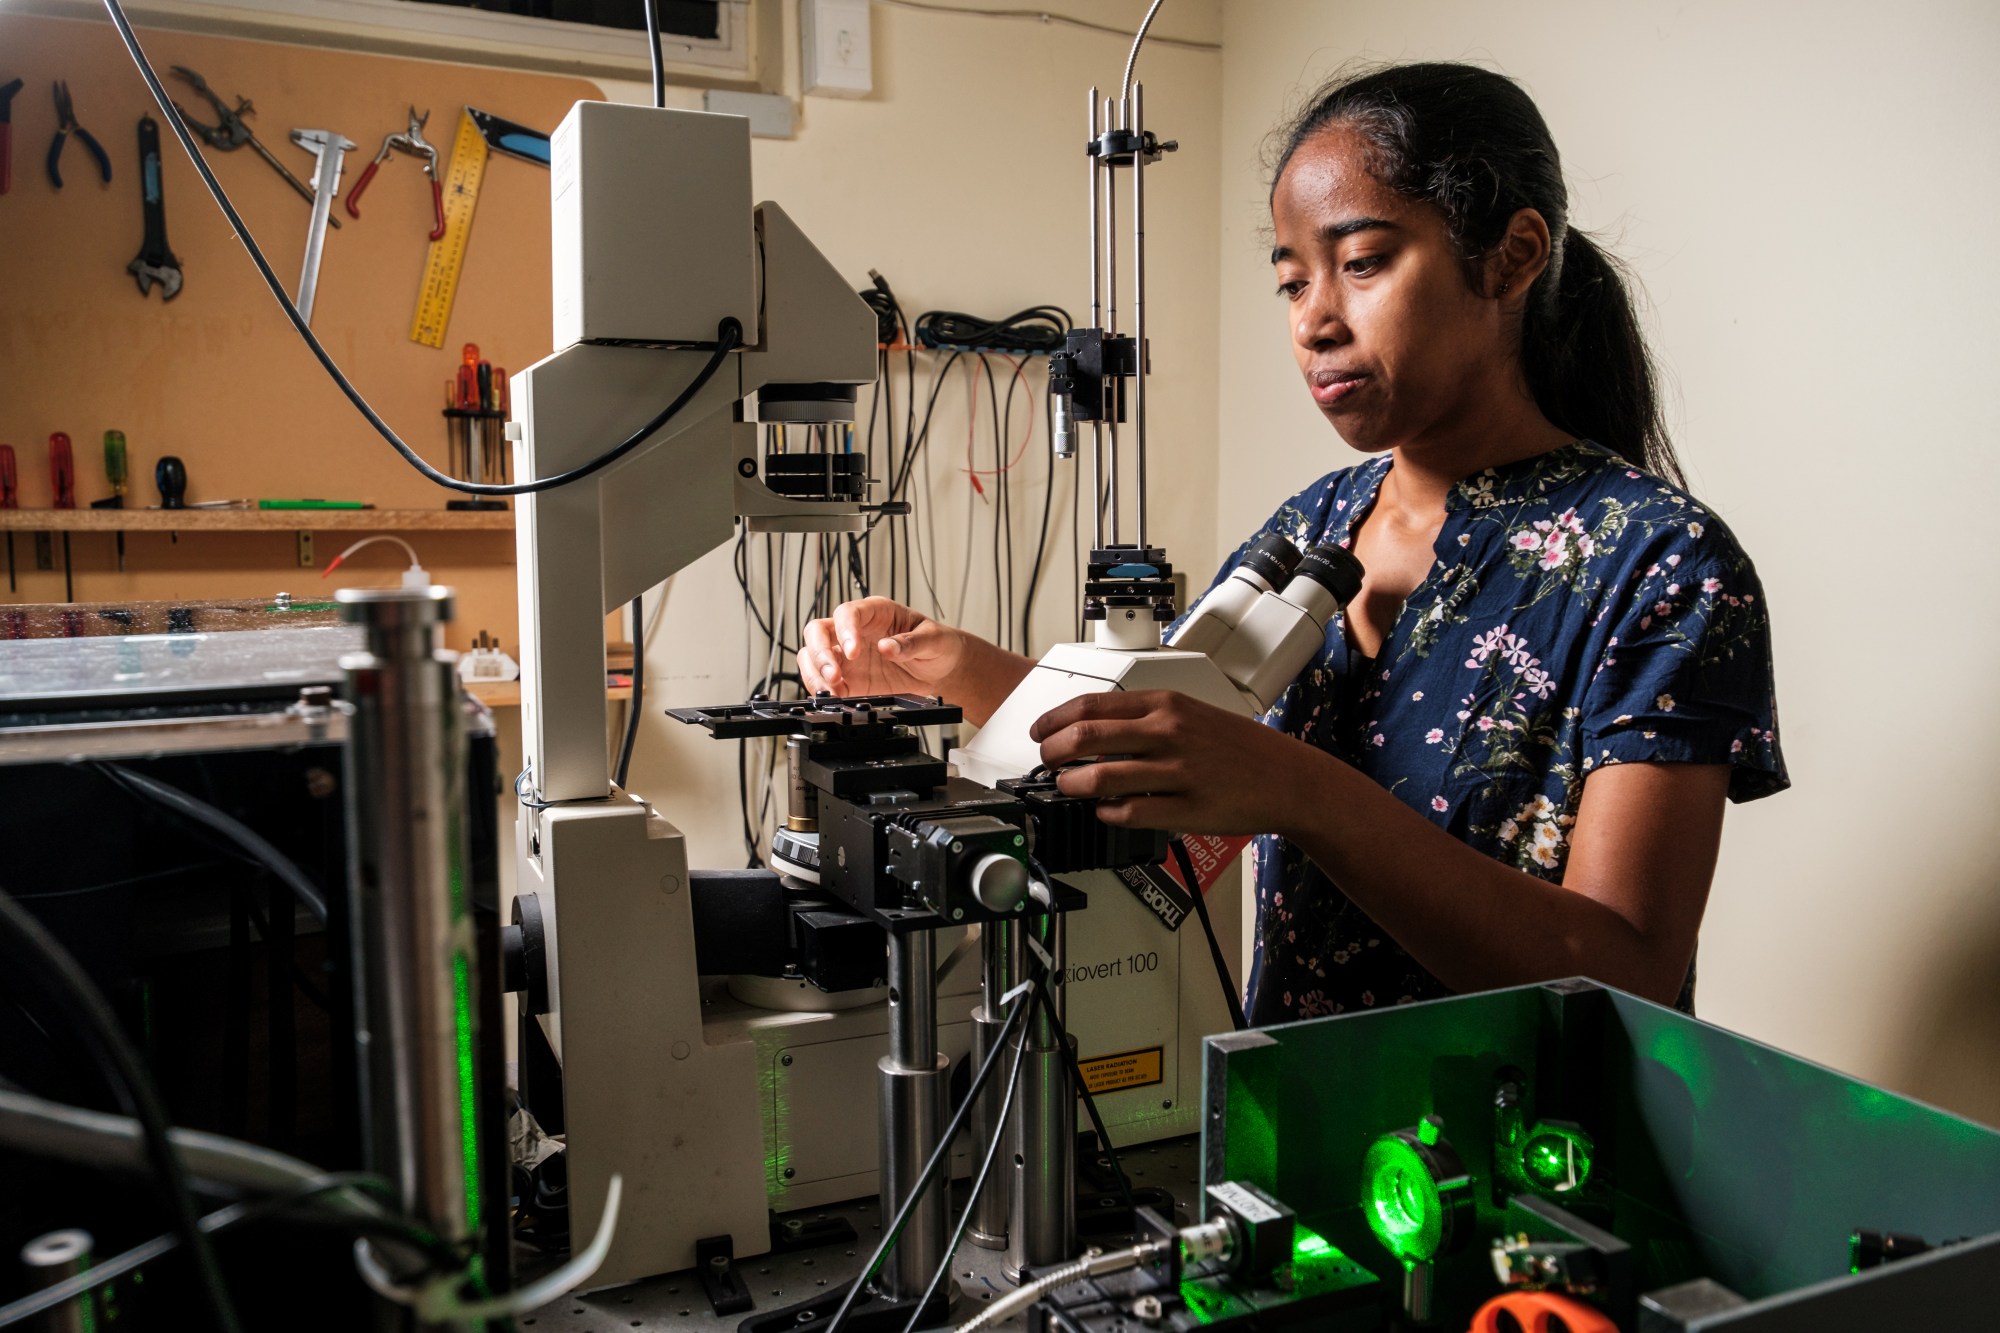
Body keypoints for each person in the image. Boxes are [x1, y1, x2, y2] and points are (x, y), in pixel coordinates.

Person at [799, 62, 1786, 1023]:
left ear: (1512, 256)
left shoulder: (1660, 566)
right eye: (1289, 282)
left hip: (1519, 1152)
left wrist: (1308, 792)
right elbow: (1164, 740)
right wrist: (942, 663)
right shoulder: (1314, 524)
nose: (1313, 319)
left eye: (1359, 263)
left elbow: (1626, 974)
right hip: (1287, 1122)